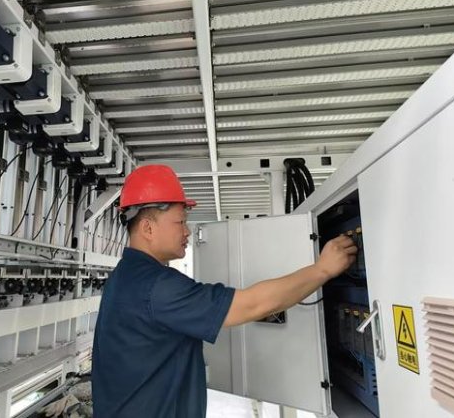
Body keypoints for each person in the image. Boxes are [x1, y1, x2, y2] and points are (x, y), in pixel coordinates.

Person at [92, 165, 357, 418]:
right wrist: (323, 269)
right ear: (148, 228)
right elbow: (252, 306)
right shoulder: (156, 286)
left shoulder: (126, 276)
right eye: (180, 222)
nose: (187, 231)